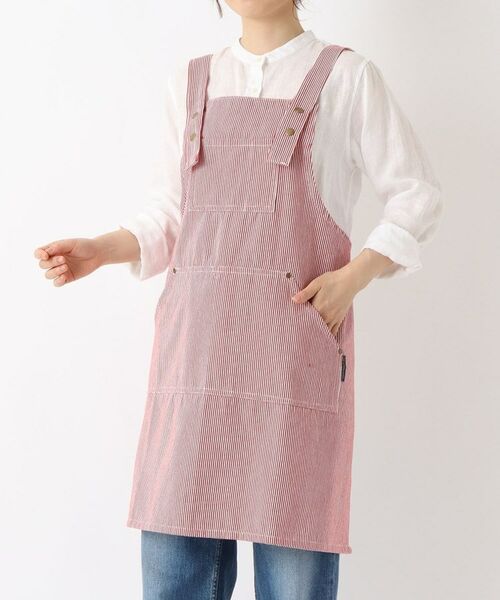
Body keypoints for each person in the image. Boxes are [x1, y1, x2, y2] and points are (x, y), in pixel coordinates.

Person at [34, 1, 443, 598]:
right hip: (195, 363)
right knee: (175, 571)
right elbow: (170, 215)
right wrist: (101, 249)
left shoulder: (347, 76)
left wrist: (354, 277)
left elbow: (416, 193)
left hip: (290, 358)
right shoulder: (192, 80)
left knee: (293, 573)